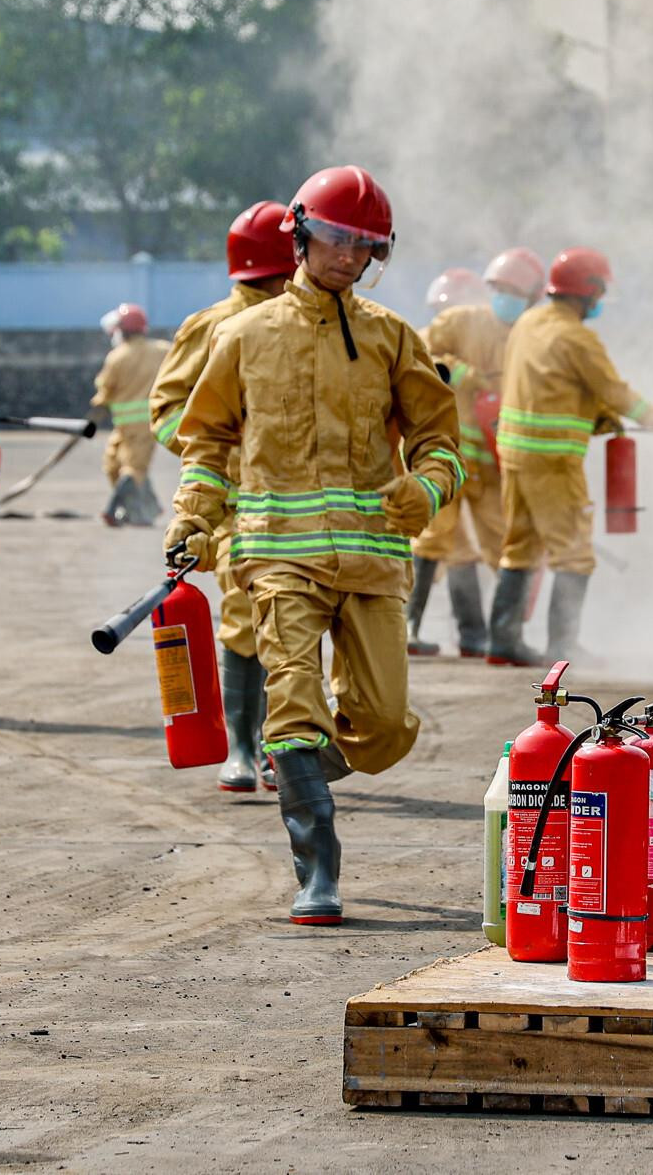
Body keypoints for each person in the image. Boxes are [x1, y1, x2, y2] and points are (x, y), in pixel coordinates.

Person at [164, 167, 462, 923]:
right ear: (300, 234)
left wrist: (425, 489)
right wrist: (194, 519)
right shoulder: (242, 336)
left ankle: (302, 771)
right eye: (335, 237)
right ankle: (316, 870)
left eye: (365, 246)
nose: (347, 256)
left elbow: (442, 444)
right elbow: (205, 442)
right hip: (277, 559)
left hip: (373, 559)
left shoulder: (394, 338)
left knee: (388, 726)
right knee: (293, 705)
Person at [148, 201, 296, 795]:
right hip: (237, 508)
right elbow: (166, 415)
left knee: (294, 625)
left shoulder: (317, 324)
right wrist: (216, 459)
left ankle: (282, 744)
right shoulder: (210, 327)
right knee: (244, 620)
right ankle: (242, 747)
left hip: (306, 504)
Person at [488, 246, 653, 668]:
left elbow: (546, 384)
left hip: (515, 454)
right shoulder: (577, 337)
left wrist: (591, 414)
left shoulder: (528, 322)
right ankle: (562, 646)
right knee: (574, 552)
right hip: (552, 461)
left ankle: (502, 640)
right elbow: (615, 393)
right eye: (599, 291)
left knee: (520, 546)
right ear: (588, 291)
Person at [406, 248, 544, 658]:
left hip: (487, 463)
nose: (506, 297)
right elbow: (416, 350)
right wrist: (459, 371)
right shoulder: (462, 321)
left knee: (501, 542)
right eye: (500, 289)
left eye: (515, 292)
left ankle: (493, 637)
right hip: (444, 453)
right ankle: (409, 630)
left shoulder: (525, 336)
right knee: (434, 537)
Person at [91, 303, 170, 527]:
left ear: (122, 330)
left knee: (133, 469)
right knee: (113, 464)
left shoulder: (117, 357)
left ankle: (112, 509)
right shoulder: (163, 350)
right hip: (129, 427)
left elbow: (104, 391)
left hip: (142, 427)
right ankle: (148, 507)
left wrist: (94, 414)